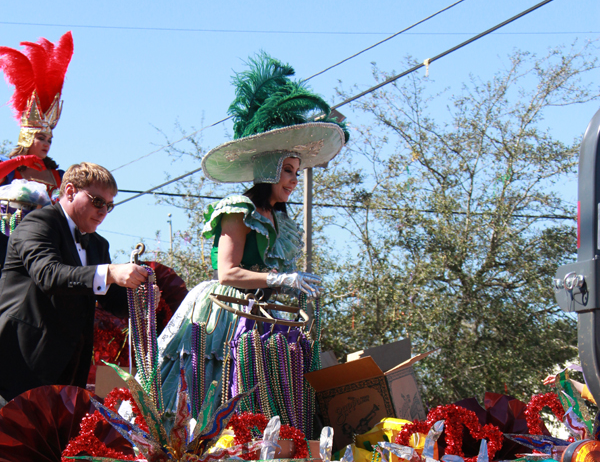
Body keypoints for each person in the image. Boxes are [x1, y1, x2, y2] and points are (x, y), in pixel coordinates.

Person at [159, 52, 348, 419]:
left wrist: (291, 286)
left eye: (296, 171)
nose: (295, 180)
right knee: (220, 394)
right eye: (289, 171)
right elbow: (227, 273)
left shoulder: (280, 220)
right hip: (226, 313)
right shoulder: (238, 209)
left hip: (267, 315)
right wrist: (281, 278)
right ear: (268, 170)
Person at [0, 162, 149, 404]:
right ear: (69, 191)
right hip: (21, 360)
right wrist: (110, 272)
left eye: (109, 206)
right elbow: (48, 274)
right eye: (97, 201)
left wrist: (141, 296)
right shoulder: (38, 222)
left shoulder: (98, 244)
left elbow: (110, 298)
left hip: (69, 369)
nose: (103, 211)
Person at [0, 32, 74, 267]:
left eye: (49, 140)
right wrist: (18, 161)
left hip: (47, 247)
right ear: (27, 136)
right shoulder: (8, 168)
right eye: (41, 137)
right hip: (7, 246)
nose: (46, 144)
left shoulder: (59, 176)